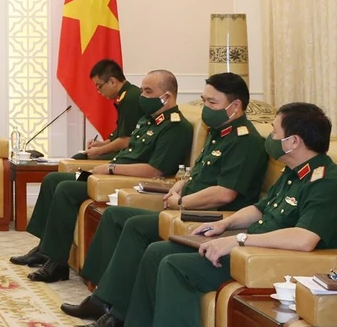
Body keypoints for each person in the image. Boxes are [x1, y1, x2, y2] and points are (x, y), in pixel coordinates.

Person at [104, 102, 337, 327]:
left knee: (175, 266)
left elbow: (304, 239)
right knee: (157, 251)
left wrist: (239, 240)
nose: (270, 138)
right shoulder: (293, 172)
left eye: (275, 132)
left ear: (293, 141)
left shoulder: (325, 181)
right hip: (249, 247)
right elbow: (260, 209)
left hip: (267, 260)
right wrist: (225, 224)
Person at [63, 72, 267, 324]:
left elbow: (224, 193)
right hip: (183, 209)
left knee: (138, 229)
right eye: (204, 101)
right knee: (117, 215)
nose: (205, 108)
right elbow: (200, 175)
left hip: (207, 217)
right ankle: (103, 298)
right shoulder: (219, 132)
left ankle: (116, 313)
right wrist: (182, 184)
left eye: (211, 103)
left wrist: (182, 202)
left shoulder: (245, 141)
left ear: (234, 106)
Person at [10, 69, 193, 283]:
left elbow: (154, 171)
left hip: (122, 181)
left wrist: (111, 169)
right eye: (142, 90)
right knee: (53, 180)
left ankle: (57, 262)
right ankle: (45, 248)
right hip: (108, 174)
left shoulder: (176, 127)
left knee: (67, 189)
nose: (141, 96)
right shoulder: (148, 121)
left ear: (167, 96)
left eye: (148, 91)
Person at [72, 60, 143, 160]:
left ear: (112, 82)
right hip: (128, 150)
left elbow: (126, 140)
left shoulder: (130, 98)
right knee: (80, 157)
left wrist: (99, 150)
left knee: (81, 159)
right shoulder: (126, 95)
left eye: (99, 86)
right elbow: (120, 135)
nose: (98, 92)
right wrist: (101, 144)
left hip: (135, 154)